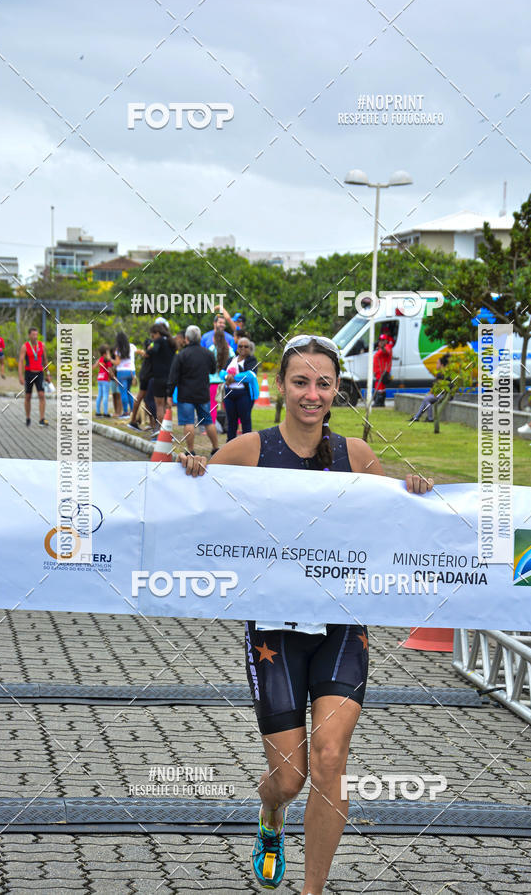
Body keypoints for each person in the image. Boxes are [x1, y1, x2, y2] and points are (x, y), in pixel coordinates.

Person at [180, 334, 433, 894]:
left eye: (323, 383)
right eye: (301, 382)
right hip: (274, 631)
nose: (312, 394)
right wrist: (194, 469)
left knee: (329, 759)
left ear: (336, 389)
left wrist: (414, 491)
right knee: (290, 779)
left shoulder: (355, 456)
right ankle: (271, 817)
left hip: (342, 628)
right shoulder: (249, 450)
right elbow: (195, 511)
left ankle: (311, 891)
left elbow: (398, 525)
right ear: (280, 387)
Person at [167, 325, 219, 455]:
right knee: (208, 421)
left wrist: (169, 394)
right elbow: (213, 370)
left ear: (186, 339)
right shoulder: (208, 354)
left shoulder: (181, 355)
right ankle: (216, 447)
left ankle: (190, 450)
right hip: (202, 393)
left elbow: (173, 376)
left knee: (188, 422)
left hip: (185, 395)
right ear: (200, 338)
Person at [222, 337, 259, 440]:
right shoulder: (231, 359)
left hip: (244, 395)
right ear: (237, 347)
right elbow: (222, 372)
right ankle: (230, 447)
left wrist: (234, 378)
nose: (243, 348)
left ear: (249, 348)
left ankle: (247, 448)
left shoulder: (252, 360)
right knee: (231, 422)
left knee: (245, 421)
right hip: (229, 394)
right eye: (240, 346)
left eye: (246, 346)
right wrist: (226, 377)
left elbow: (250, 375)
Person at [18, 327, 51, 426]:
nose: (35, 337)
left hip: (39, 373)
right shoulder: (25, 346)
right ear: (29, 335)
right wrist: (20, 376)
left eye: (36, 334)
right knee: (28, 396)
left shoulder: (42, 345)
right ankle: (28, 418)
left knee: (42, 395)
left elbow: (45, 360)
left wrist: (48, 374)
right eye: (33, 335)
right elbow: (20, 361)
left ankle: (42, 419)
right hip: (29, 374)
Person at [148, 322, 177, 437]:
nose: (152, 338)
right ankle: (169, 430)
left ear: (157, 333)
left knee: (159, 405)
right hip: (170, 378)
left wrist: (149, 348)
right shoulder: (171, 342)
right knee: (167, 405)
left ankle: (160, 428)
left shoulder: (158, 341)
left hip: (159, 377)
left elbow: (152, 351)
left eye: (152, 335)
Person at [410, 353, 450, 423]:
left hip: (442, 395)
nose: (436, 365)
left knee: (426, 399)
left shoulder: (442, 374)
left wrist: (431, 393)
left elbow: (436, 387)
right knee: (426, 399)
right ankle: (416, 417)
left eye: (437, 363)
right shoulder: (442, 373)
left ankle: (429, 418)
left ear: (442, 365)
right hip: (439, 394)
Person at [207, 328, 235, 426]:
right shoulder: (230, 350)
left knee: (212, 405)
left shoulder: (211, 349)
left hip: (213, 383)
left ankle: (212, 426)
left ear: (214, 338)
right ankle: (232, 426)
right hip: (226, 382)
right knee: (228, 405)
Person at [113, 332, 142, 419]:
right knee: (129, 391)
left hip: (121, 372)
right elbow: (139, 351)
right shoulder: (132, 346)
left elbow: (117, 362)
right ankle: (132, 411)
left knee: (123, 392)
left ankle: (125, 412)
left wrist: (110, 360)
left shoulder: (118, 350)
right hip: (131, 372)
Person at [372, 333, 392, 407]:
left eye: (383, 340)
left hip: (382, 371)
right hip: (378, 372)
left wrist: (383, 347)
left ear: (386, 340)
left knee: (380, 386)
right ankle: (380, 402)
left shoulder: (387, 347)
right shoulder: (380, 348)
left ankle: (378, 402)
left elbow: (386, 352)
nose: (381, 341)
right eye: (380, 340)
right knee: (379, 386)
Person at [93, 345, 113, 417]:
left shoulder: (100, 359)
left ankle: (98, 412)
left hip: (99, 378)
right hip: (106, 379)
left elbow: (94, 367)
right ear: (105, 354)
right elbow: (110, 371)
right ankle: (105, 412)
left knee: (100, 395)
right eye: (108, 352)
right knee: (105, 396)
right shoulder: (108, 361)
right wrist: (113, 376)